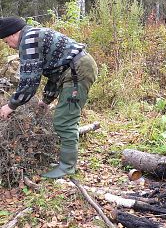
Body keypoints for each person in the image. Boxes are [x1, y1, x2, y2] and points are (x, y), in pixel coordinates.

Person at [0, 17, 98, 179]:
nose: (9, 46)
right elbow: (54, 71)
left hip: (78, 70)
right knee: (65, 118)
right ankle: (66, 163)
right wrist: (45, 100)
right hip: (74, 69)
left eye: (5, 42)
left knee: (64, 120)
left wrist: (10, 106)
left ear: (12, 34)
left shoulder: (28, 40)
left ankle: (67, 167)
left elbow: (29, 82)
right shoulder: (32, 35)